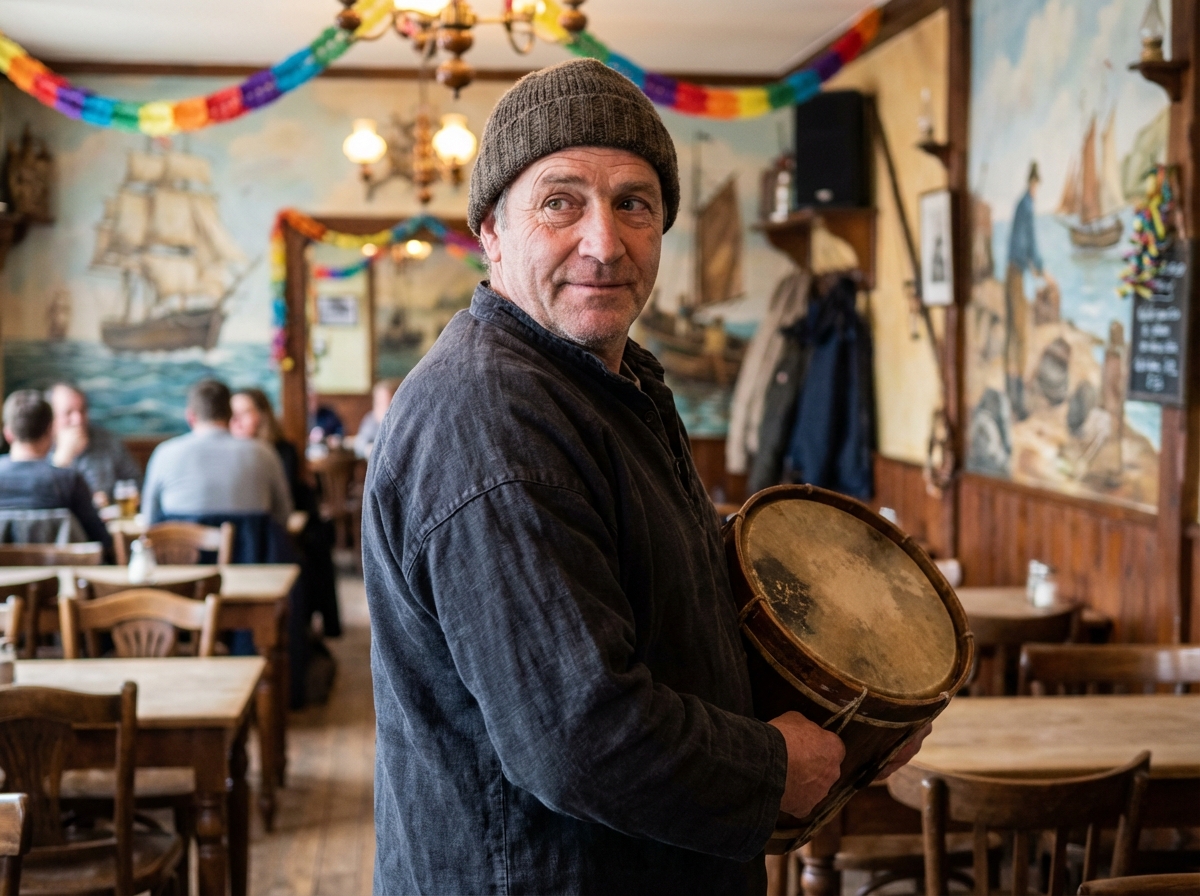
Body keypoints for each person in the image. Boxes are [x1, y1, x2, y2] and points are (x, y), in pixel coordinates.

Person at [363, 59, 927, 895]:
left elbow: (674, 608)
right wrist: (775, 766)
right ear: (491, 230)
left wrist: (849, 714)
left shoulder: (610, 383)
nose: (605, 241)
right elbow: (579, 736)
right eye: (561, 202)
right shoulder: (492, 418)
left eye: (634, 203)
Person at [231, 386, 342, 638]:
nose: (237, 420)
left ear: (262, 415)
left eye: (245, 412)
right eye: (233, 413)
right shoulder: (225, 455)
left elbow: (283, 505)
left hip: (276, 532)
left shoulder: (281, 450)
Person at [142, 380, 292, 528]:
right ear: (230, 415)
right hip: (249, 552)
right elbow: (283, 517)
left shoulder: (165, 453)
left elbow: (149, 521)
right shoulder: (263, 453)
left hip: (184, 552)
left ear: (190, 417)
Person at [0, 389, 112, 550]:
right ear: (50, 430)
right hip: (59, 574)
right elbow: (101, 542)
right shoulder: (69, 480)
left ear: (8, 433)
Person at [1004, 161, 1056, 421]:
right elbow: (1029, 243)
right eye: (1037, 185)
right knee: (1021, 338)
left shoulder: (1019, 205)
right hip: (1017, 275)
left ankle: (1012, 397)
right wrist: (1042, 269)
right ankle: (1017, 402)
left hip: (1013, 272)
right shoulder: (1026, 206)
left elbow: (1020, 244)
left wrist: (1034, 268)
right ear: (1033, 183)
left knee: (1013, 336)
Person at [46, 382, 142, 508]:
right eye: (68, 413)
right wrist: (62, 459)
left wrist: (110, 500)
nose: (78, 419)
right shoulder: (41, 446)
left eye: (82, 410)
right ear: (51, 417)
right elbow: (42, 498)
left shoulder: (108, 440)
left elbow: (136, 483)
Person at [353, 378, 401, 459]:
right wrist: (368, 449)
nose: (382, 406)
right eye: (379, 402)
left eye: (386, 401)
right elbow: (360, 443)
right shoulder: (371, 418)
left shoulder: (401, 420)